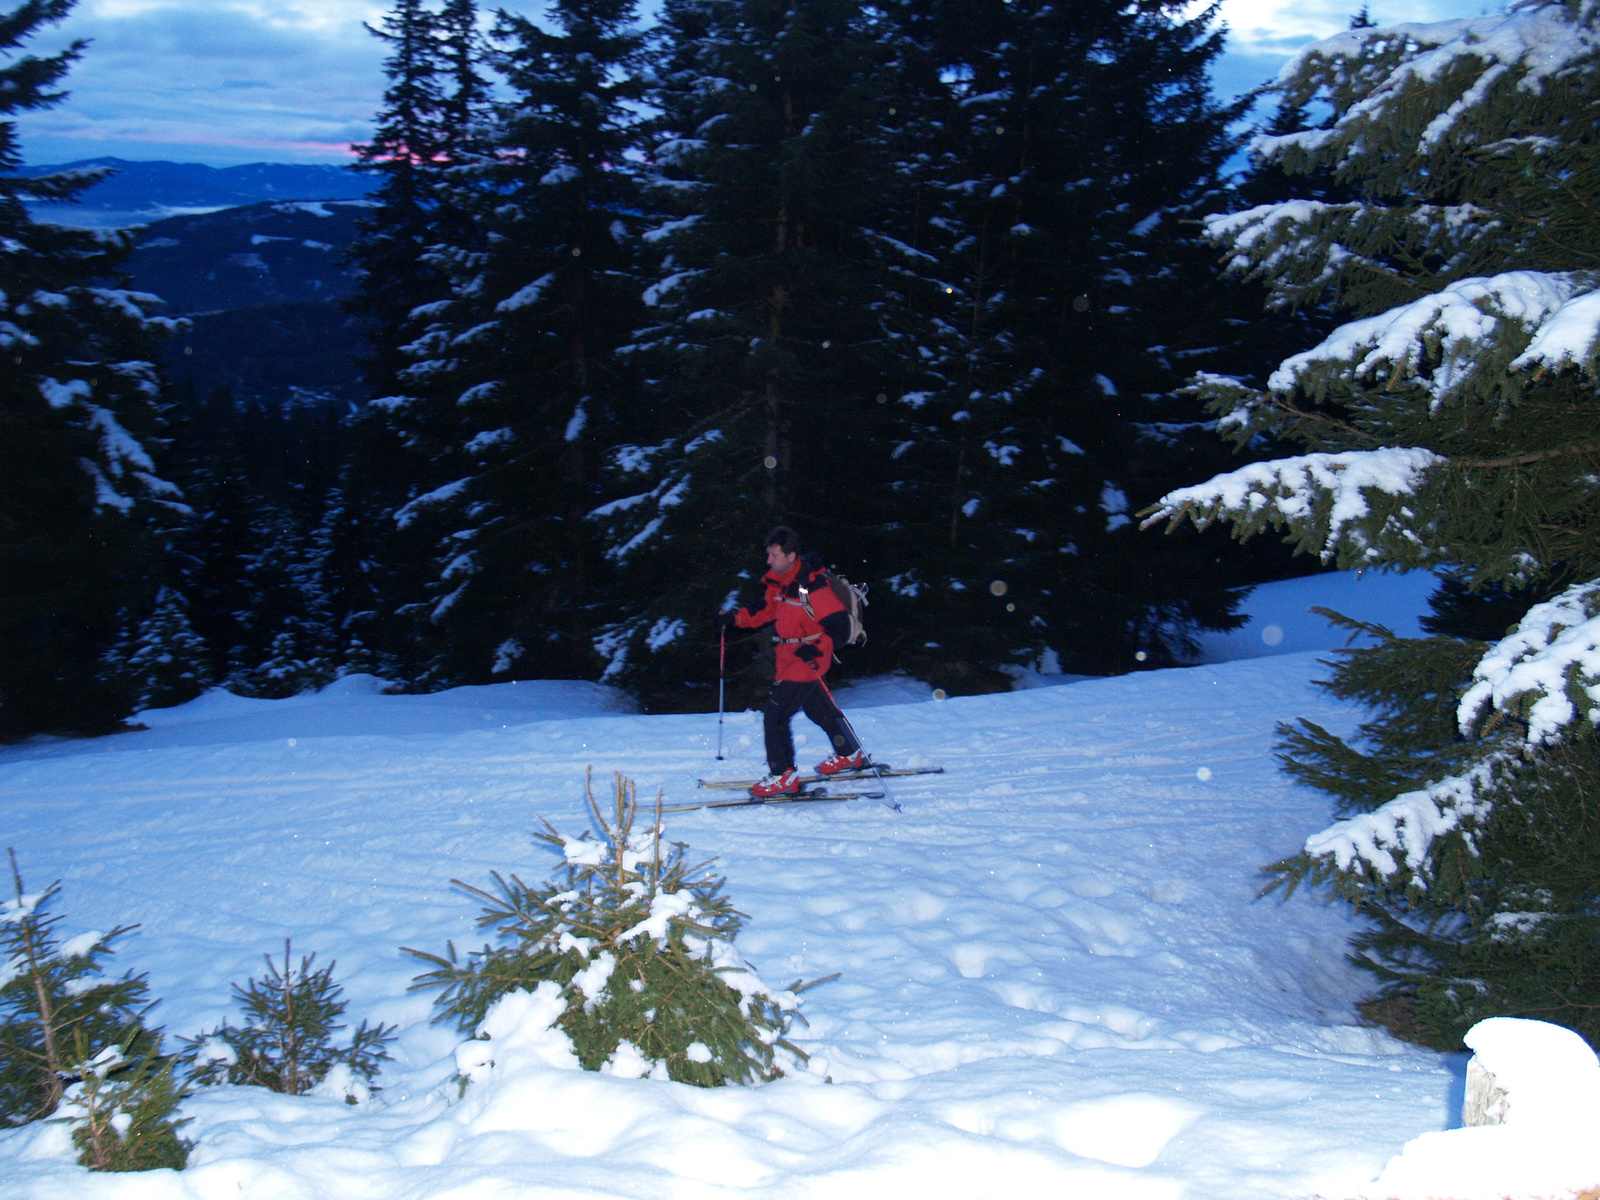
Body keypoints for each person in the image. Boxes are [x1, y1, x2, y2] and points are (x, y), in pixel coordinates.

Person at [718, 526, 865, 798]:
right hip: (789, 658)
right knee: (818, 709)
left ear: (791, 555)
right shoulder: (782, 582)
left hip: (807, 660)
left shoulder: (813, 586)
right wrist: (735, 618)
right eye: (769, 555)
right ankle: (849, 753)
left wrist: (816, 649)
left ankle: (783, 775)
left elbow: (839, 627)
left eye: (774, 555)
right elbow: (764, 610)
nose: (769, 560)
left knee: (775, 715)